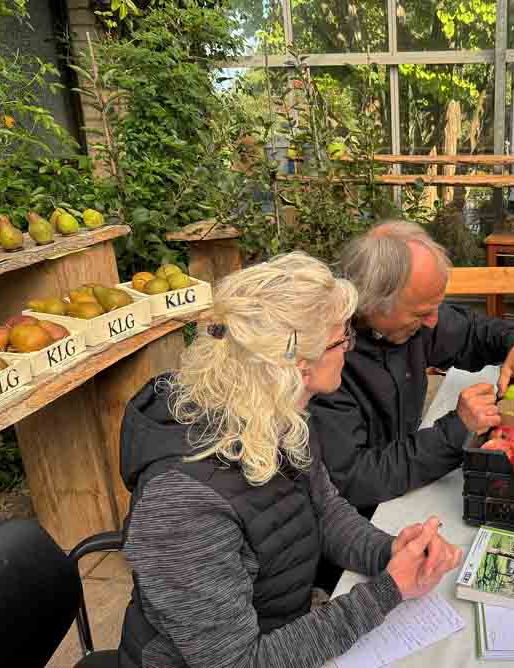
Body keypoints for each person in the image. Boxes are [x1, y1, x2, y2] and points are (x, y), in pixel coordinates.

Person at [117, 252, 462, 668]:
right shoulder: (182, 506)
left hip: (282, 626)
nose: (349, 350)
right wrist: (387, 591)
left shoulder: (275, 415)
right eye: (341, 340)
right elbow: (240, 663)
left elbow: (324, 510)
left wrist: (389, 553)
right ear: (297, 365)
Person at [309, 220, 514, 512]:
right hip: (363, 522)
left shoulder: (414, 324)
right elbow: (355, 479)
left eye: (436, 307)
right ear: (373, 305)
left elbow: (473, 331)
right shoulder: (326, 362)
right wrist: (456, 430)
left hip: (407, 490)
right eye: (421, 312)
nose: (433, 320)